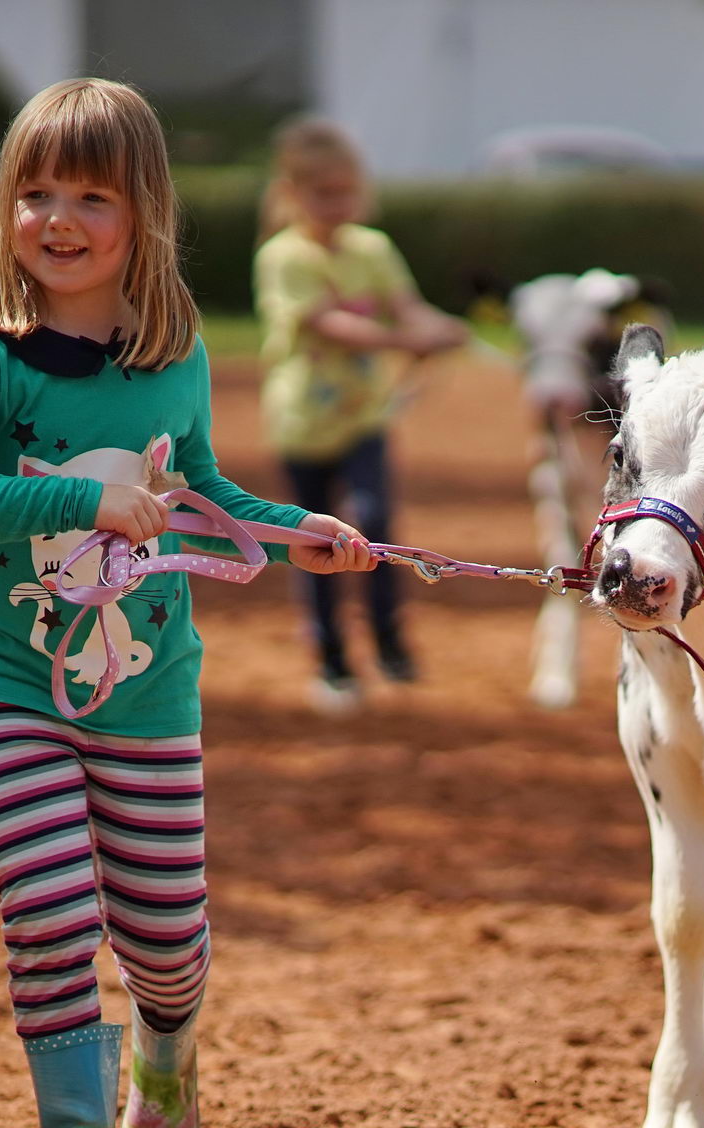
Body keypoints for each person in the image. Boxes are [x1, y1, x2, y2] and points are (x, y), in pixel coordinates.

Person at [0, 78, 375, 1128]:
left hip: (148, 691)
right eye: (35, 192)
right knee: (49, 904)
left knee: (162, 937)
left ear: (143, 214)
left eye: (90, 196)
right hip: (8, 680)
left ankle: (166, 1053)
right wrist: (77, 500)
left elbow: (196, 488)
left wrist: (290, 532)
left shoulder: (175, 354)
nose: (57, 218)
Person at [253, 118, 469, 714]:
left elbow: (408, 306)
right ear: (293, 193)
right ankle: (333, 662)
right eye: (323, 192)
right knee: (313, 540)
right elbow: (329, 324)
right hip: (302, 425)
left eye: (346, 190)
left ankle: (391, 646)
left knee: (374, 529)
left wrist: (439, 329)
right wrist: (407, 343)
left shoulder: (372, 249)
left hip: (363, 420)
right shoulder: (284, 257)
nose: (338, 204)